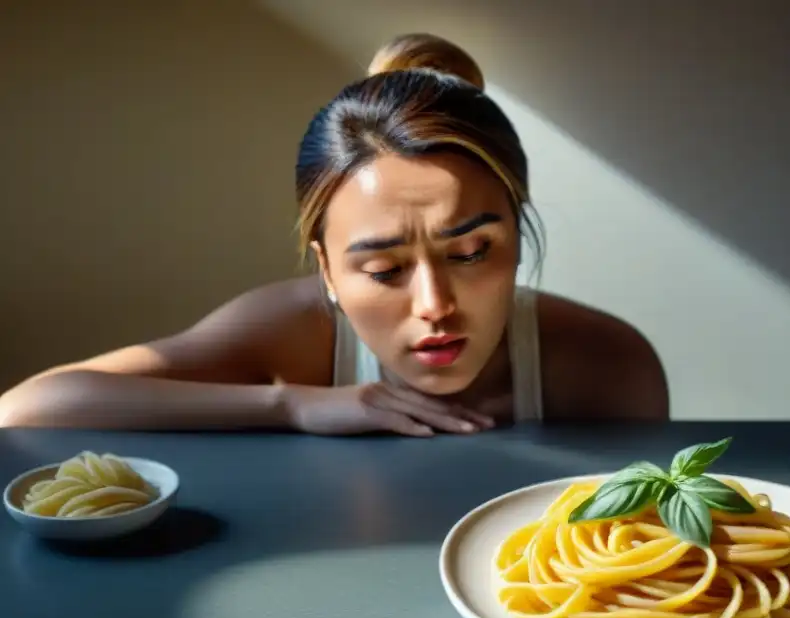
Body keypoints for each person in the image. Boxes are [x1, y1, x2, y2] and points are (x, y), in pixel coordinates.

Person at [0, 34, 668, 437]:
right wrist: (293, 405)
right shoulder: (292, 332)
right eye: (383, 270)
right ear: (326, 271)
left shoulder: (607, 363)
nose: (434, 304)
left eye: (470, 253)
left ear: (517, 237)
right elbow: (27, 408)